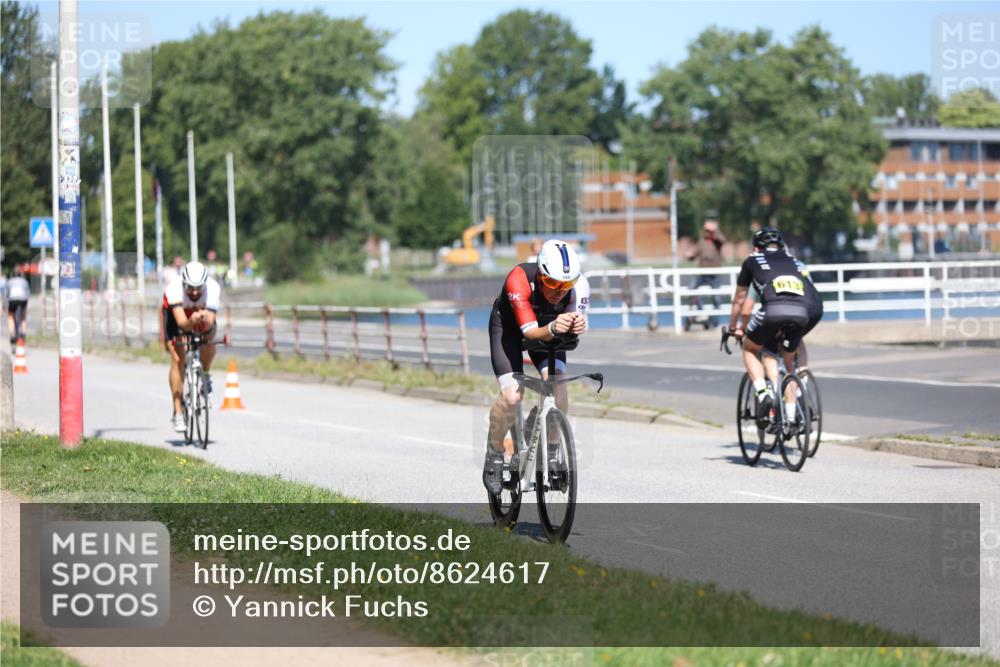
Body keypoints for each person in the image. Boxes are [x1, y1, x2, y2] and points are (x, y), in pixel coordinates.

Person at [483, 240, 590, 494]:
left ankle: (551, 452)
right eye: (553, 283)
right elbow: (530, 333)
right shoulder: (518, 279)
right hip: (509, 331)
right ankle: (494, 452)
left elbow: (569, 334)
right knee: (512, 397)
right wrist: (553, 327)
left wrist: (577, 327)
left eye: (566, 285)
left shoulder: (578, 288)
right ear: (541, 275)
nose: (559, 292)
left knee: (558, 389)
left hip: (548, 331)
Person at [726, 228, 822, 426]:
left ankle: (765, 395)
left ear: (755, 248)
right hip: (807, 311)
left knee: (756, 349)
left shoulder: (753, 262)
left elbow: (742, 304)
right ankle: (793, 409)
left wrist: (734, 328)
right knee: (791, 357)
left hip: (774, 311)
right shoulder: (795, 262)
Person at [161, 261, 221, 432]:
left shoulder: (213, 287)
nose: (194, 292)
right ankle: (178, 411)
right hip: (177, 316)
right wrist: (192, 320)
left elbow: (210, 322)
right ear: (183, 283)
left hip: (200, 314)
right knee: (178, 357)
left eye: (198, 288)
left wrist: (203, 319)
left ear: (205, 284)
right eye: (190, 288)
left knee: (209, 338)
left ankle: (206, 374)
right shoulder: (174, 288)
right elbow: (182, 324)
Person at [687, 214, 727, 325]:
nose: (708, 232)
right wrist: (689, 255)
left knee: (717, 298)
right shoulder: (702, 241)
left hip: (715, 274)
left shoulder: (717, 241)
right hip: (702, 273)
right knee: (691, 289)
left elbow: (722, 239)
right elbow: (693, 254)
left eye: (709, 230)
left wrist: (715, 229)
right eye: (707, 230)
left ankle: (714, 321)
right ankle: (701, 311)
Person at [6, 268, 31, 344]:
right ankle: (23, 333)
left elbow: (7, 294)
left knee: (10, 316)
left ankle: (12, 334)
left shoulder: (9, 281)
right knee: (23, 316)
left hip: (13, 300)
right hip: (23, 300)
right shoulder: (24, 281)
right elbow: (28, 293)